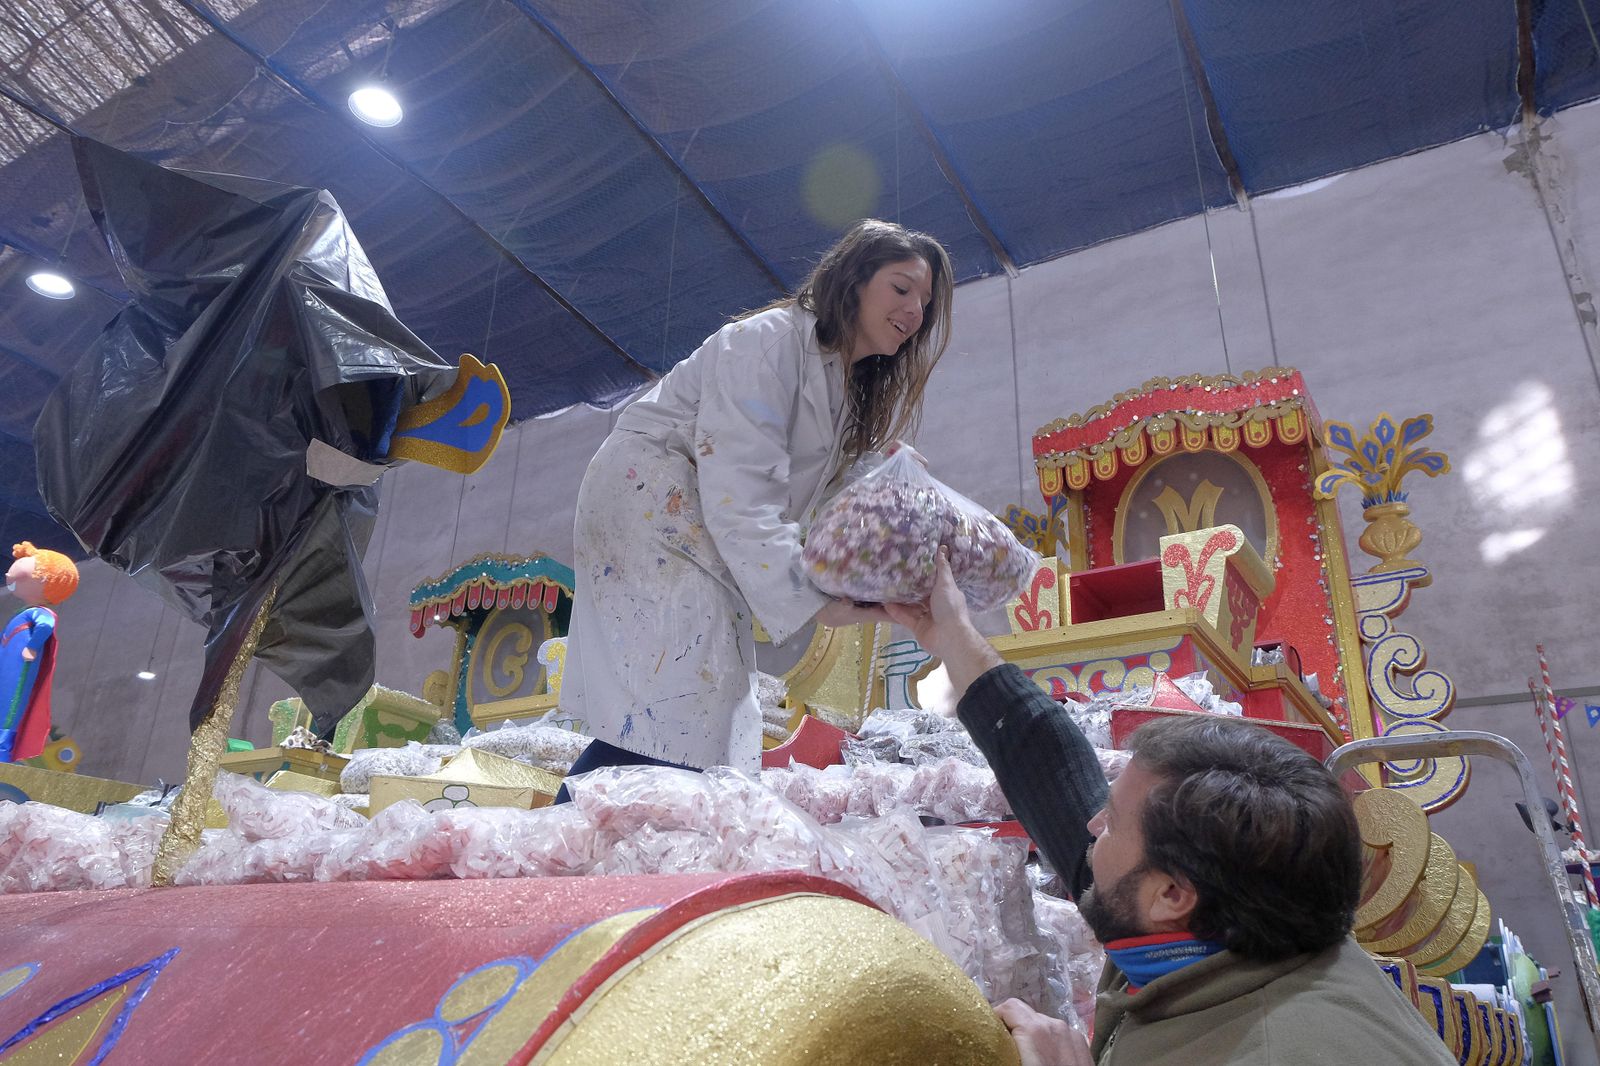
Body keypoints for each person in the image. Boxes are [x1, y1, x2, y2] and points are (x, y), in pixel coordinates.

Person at [886, 549, 1456, 1066]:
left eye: (1110, 822)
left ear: (1172, 896)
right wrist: (953, 633)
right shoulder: (1234, 931)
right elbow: (1058, 782)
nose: (1092, 826)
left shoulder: (1279, 1048)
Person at [555, 220, 954, 791]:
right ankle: (564, 829)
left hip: (692, 515)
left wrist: (880, 470)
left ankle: (583, 836)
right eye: (901, 288)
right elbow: (742, 493)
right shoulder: (767, 343)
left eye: (925, 301)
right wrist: (820, 601)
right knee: (682, 699)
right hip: (654, 501)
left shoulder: (841, 386)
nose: (915, 310)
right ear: (855, 280)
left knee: (691, 705)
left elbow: (808, 497)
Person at [2, 542, 79, 763]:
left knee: (10, 708)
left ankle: (3, 754)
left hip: (19, 668)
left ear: (44, 580)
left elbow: (45, 627)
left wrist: (31, 647)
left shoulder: (40, 613)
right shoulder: (23, 613)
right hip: (8, 664)